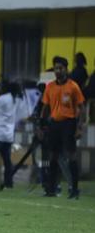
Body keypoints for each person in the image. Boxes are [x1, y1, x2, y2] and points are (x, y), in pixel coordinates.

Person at [39, 56, 85, 199]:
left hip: (68, 124)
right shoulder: (50, 87)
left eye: (61, 68)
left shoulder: (73, 86)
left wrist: (79, 127)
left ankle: (74, 190)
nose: (58, 71)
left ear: (66, 69)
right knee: (53, 157)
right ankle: (51, 189)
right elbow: (45, 107)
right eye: (56, 68)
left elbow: (81, 108)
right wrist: (41, 125)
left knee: (71, 156)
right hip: (54, 125)